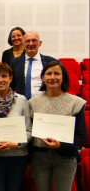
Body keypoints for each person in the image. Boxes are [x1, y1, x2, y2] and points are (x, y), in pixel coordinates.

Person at [28, 61, 86, 191]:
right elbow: (29, 133)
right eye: (48, 73)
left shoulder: (76, 102)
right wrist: (28, 160)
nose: (52, 77)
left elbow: (80, 136)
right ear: (43, 77)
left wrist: (61, 145)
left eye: (57, 73)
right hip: (39, 157)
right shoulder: (32, 103)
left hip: (65, 157)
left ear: (63, 77)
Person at [10, 31, 57, 100]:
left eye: (34, 40)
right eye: (27, 41)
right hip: (21, 102)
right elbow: (11, 85)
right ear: (23, 44)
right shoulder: (14, 63)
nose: (31, 44)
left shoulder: (51, 62)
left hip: (45, 102)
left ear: (40, 43)